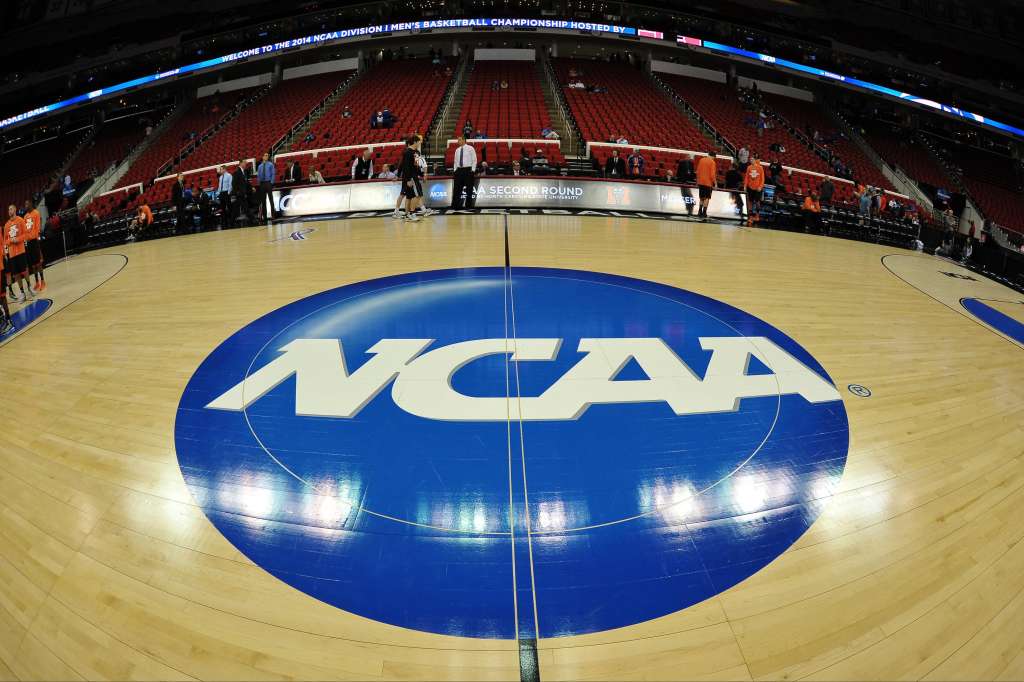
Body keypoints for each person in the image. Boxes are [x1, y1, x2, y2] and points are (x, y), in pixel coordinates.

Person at [4, 205, 33, 303]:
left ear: (15, 210)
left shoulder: (20, 220)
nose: (9, 211)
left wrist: (18, 239)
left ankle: (29, 286)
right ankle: (22, 292)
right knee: (16, 274)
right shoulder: (6, 225)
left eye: (11, 209)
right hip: (12, 254)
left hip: (21, 251)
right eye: (8, 209)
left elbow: (26, 234)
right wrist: (10, 241)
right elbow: (5, 241)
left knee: (25, 270)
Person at [397, 135, 425, 221]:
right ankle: (412, 213)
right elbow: (406, 167)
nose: (420, 143)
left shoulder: (416, 152)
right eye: (419, 142)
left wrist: (422, 174)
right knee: (417, 195)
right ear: (415, 142)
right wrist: (408, 179)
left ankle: (407, 215)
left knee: (409, 197)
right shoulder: (408, 152)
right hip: (411, 178)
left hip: (413, 176)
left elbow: (416, 166)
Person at [21, 199, 45, 292]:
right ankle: (37, 282)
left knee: (38, 263)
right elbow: (24, 230)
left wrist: (33, 236)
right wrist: (25, 238)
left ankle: (42, 281)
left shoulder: (36, 213)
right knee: (33, 265)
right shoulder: (25, 216)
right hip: (28, 242)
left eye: (27, 204)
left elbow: (37, 227)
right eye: (25, 204)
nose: (26, 206)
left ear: (31, 204)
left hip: (34, 241)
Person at [451, 136, 477, 210]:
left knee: (469, 189)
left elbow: (474, 160)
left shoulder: (470, 148)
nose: (458, 141)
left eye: (459, 140)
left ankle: (468, 205)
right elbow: (455, 161)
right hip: (459, 171)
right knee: (457, 189)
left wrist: (473, 170)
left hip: (468, 170)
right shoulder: (457, 150)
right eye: (458, 140)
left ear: (464, 140)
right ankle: (456, 205)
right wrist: (455, 170)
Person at [743, 154, 765, 227]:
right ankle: (750, 216)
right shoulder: (749, 167)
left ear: (755, 160)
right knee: (750, 202)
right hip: (750, 187)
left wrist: (760, 187)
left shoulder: (760, 168)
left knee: (757, 202)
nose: (751, 160)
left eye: (752, 159)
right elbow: (746, 177)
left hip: (758, 188)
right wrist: (745, 186)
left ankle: (757, 216)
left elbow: (762, 179)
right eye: (750, 160)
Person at [695, 151, 718, 220]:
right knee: (707, 198)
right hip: (708, 183)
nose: (714, 159)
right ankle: (704, 212)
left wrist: (697, 181)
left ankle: (699, 211)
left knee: (701, 197)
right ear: (713, 156)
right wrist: (715, 183)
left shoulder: (701, 160)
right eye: (714, 157)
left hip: (701, 182)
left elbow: (698, 171)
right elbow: (712, 174)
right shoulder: (712, 162)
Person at [256, 152, 276, 223]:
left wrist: (271, 182)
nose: (266, 156)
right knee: (263, 200)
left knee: (271, 199)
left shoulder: (271, 164)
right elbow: (258, 175)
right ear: (263, 157)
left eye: (267, 156)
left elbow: (273, 173)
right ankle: (265, 216)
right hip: (262, 184)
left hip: (268, 182)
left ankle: (273, 215)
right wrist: (259, 183)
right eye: (265, 155)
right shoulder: (260, 166)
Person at [232, 161, 250, 226]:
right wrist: (237, 191)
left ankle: (231, 221)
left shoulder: (244, 172)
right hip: (239, 193)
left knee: (236, 207)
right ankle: (252, 219)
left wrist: (251, 188)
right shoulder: (236, 172)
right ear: (241, 164)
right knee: (245, 206)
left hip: (242, 193)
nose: (245, 164)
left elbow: (245, 182)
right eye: (244, 163)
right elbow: (233, 183)